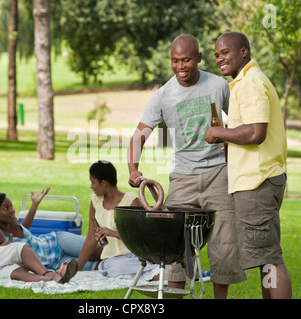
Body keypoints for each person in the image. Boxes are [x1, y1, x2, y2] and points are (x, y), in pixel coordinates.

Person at [127, 34, 246, 298]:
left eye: (186, 60)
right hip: (183, 176)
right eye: (175, 60)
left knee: (223, 242)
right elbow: (139, 135)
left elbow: (240, 121)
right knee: (175, 243)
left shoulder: (218, 85)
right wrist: (133, 169)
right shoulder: (163, 95)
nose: (181, 66)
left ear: (199, 58)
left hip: (219, 174)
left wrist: (229, 140)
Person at [206, 31, 292, 299]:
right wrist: (230, 140)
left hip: (258, 181)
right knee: (265, 259)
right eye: (217, 55)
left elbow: (256, 133)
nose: (220, 58)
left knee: (270, 258)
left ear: (244, 51)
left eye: (226, 52)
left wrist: (220, 133)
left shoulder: (251, 82)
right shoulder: (243, 82)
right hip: (257, 180)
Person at [78, 160, 160, 281]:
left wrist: (113, 233)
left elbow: (142, 235)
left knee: (123, 266)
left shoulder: (131, 201)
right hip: (111, 259)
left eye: (93, 182)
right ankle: (151, 273)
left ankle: (152, 271)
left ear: (103, 183)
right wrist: (76, 270)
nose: (91, 186)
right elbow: (91, 238)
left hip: (134, 256)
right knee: (118, 266)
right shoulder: (95, 201)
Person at [0, 188, 100, 271]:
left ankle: (117, 244)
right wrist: (2, 248)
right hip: (54, 264)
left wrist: (34, 205)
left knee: (96, 251)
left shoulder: (11, 221)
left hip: (57, 241)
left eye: (11, 206)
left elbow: (24, 228)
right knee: (96, 265)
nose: (12, 210)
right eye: (5, 208)